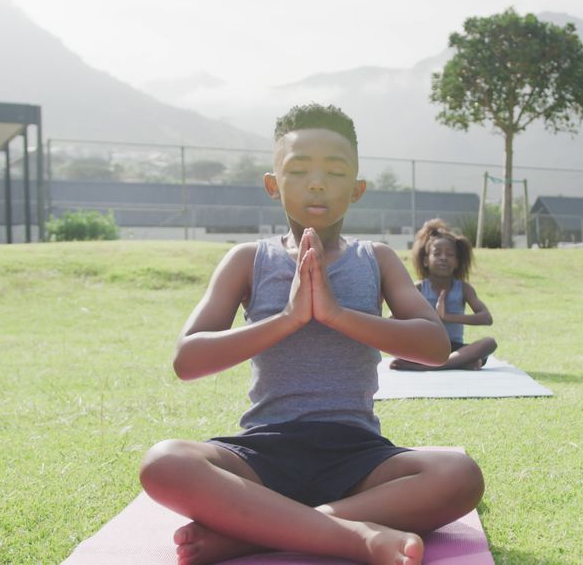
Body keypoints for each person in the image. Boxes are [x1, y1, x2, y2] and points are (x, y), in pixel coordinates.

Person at [138, 104, 485, 565]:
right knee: (164, 463)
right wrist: (288, 317)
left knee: (459, 474)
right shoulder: (248, 259)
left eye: (335, 172)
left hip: (357, 453)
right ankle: (357, 538)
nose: (317, 183)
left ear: (357, 189)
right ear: (272, 184)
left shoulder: (375, 258)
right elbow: (187, 360)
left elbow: (434, 346)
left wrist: (338, 314)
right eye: (298, 170)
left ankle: (256, 534)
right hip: (264, 450)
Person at [390, 219, 497, 371]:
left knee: (489, 343)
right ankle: (460, 363)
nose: (443, 258)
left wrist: (447, 317)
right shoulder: (418, 288)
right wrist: (424, 320)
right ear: (426, 261)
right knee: (400, 352)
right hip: (425, 347)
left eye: (450, 254)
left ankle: (435, 366)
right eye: (437, 253)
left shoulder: (464, 289)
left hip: (455, 348)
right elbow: (392, 320)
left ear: (457, 262)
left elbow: (486, 318)